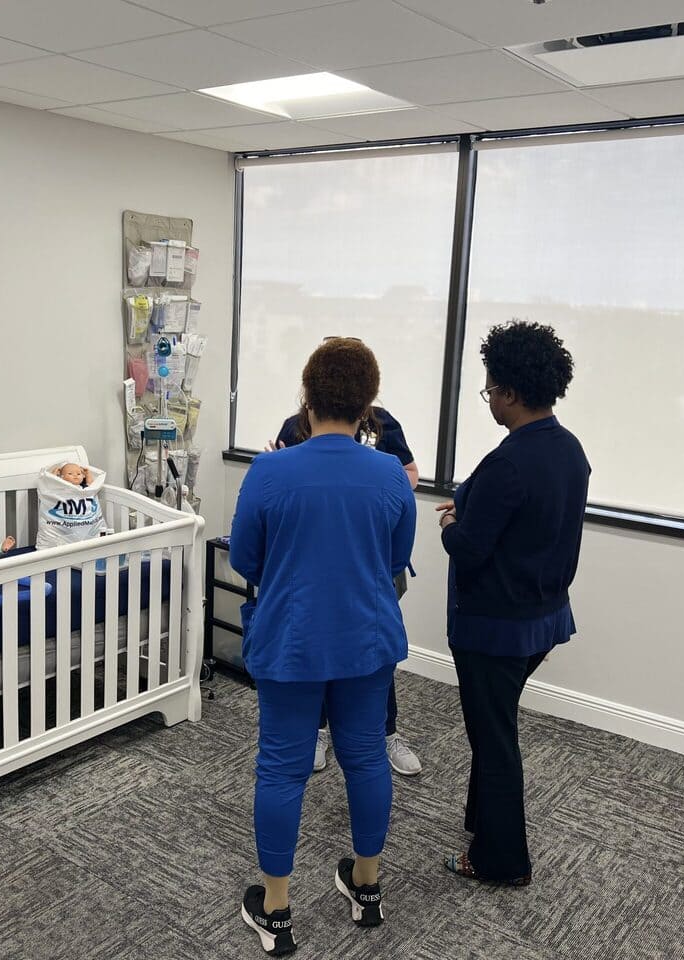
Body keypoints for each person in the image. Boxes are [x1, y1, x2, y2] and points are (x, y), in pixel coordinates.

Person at [231, 338, 416, 955]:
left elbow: (246, 557)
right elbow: (395, 560)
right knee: (364, 757)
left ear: (305, 400)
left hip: (291, 640)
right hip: (366, 641)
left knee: (282, 766)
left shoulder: (270, 471)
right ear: (369, 409)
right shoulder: (390, 473)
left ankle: (277, 909)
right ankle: (366, 889)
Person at [436, 321, 589, 886]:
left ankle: (503, 861)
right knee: (493, 725)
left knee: (495, 740)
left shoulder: (509, 462)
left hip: (494, 628)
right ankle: (483, 822)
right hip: (543, 621)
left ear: (514, 393)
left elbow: (471, 550)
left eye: (491, 390)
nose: (490, 400)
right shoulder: (570, 451)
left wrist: (452, 522)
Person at [267, 348, 422, 777]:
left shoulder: (382, 423)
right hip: (311, 568)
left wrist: (375, 486)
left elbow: (409, 474)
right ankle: (318, 730)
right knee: (313, 650)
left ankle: (385, 733)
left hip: (369, 562)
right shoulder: (295, 427)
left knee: (371, 653)